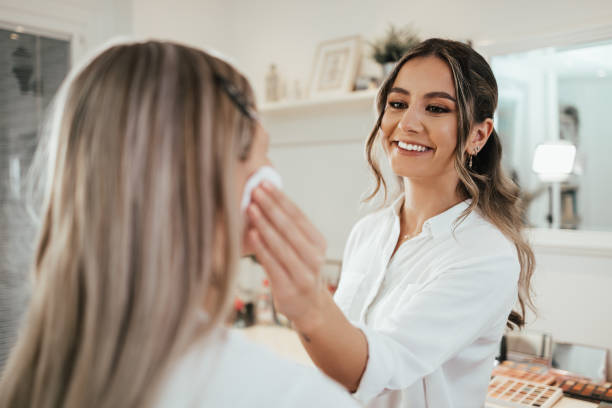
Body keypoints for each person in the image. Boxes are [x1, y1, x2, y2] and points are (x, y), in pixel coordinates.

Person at [0, 40, 359, 408]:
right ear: (224, 182)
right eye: (263, 151)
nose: (272, 171)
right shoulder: (292, 397)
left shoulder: (35, 374)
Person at [245, 38, 535, 407]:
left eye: (435, 108)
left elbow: (370, 369)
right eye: (397, 104)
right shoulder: (369, 232)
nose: (408, 122)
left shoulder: (486, 254)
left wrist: (305, 300)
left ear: (478, 135)